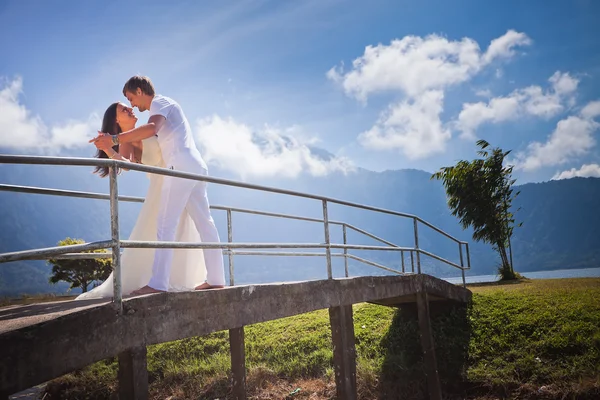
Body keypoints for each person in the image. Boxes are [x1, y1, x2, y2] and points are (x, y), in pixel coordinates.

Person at [90, 76, 226, 295]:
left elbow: (153, 128)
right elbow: (128, 161)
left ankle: (158, 283)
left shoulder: (160, 103)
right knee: (205, 223)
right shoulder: (161, 107)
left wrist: (113, 140)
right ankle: (217, 279)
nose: (132, 104)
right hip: (195, 166)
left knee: (165, 224)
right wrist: (110, 146)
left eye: (131, 98)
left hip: (179, 167)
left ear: (140, 91)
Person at [77, 102, 207, 300]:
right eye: (124, 109)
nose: (130, 109)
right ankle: (159, 280)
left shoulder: (145, 129)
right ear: (117, 120)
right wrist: (108, 148)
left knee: (182, 227)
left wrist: (110, 143)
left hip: (178, 177)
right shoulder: (127, 141)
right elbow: (126, 165)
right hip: (160, 186)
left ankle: (178, 278)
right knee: (159, 230)